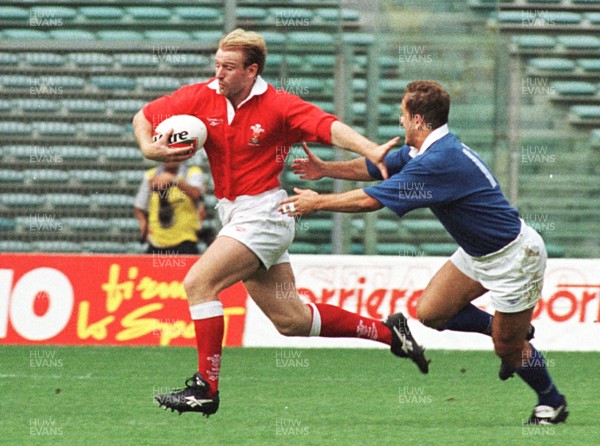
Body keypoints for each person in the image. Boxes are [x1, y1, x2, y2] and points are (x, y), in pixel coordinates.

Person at [132, 29, 429, 417]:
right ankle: (392, 334)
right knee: (291, 320)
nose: (218, 73)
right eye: (217, 64)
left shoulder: (279, 106)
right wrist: (148, 146)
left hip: (265, 213)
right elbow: (144, 115)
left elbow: (328, 126)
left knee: (199, 282)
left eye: (229, 67)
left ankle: (206, 387)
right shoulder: (199, 96)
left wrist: (370, 148)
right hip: (235, 214)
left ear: (252, 71)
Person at [280, 80, 568, 425]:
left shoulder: (439, 160)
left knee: (507, 348)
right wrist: (326, 170)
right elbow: (377, 168)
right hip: (479, 252)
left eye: (403, 114)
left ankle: (552, 402)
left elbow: (372, 199)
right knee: (431, 313)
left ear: (417, 120)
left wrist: (318, 202)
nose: (399, 120)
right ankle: (500, 327)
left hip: (514, 258)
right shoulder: (428, 149)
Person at [134, 161, 205, 255]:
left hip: (185, 241)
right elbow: (139, 206)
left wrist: (173, 180)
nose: (171, 158)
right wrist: (144, 227)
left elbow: (196, 194)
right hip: (156, 241)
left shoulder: (192, 173)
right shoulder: (150, 176)